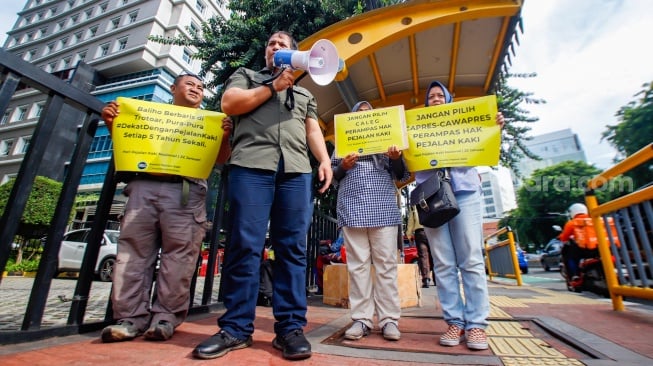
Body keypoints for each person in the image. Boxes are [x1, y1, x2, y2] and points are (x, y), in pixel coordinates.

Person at [192, 31, 332, 361]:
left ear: (296, 56)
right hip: (251, 166)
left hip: (296, 171)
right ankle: (236, 329)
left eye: (283, 45)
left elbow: (313, 130)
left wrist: (324, 159)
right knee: (245, 245)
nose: (275, 47)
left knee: (293, 249)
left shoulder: (304, 94)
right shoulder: (247, 77)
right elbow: (230, 103)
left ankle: (290, 329)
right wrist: (272, 87)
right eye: (271, 44)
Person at [99, 73, 232, 343]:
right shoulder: (146, 115)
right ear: (173, 89)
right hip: (143, 187)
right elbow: (129, 141)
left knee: (179, 258)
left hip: (186, 192)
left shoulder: (211, 122)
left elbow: (221, 159)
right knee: (133, 254)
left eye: (200, 87)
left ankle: (165, 317)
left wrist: (225, 135)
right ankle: (129, 318)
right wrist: (112, 122)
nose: (196, 89)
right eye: (189, 84)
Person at [416, 81, 504, 350]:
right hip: (431, 195)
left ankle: (476, 325)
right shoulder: (416, 127)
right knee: (442, 262)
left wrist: (495, 127)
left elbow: (487, 148)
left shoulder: (466, 122)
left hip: (465, 191)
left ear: (449, 100)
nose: (435, 99)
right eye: (430, 96)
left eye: (440, 95)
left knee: (471, 259)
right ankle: (455, 321)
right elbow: (407, 159)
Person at [331, 101, 410, 342]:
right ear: (352, 119)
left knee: (386, 265)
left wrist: (395, 158)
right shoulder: (342, 144)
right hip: (352, 208)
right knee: (358, 267)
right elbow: (333, 176)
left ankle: (389, 320)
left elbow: (402, 174)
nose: (364, 118)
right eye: (360, 114)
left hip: (383, 209)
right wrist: (343, 166)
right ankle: (361, 319)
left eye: (369, 114)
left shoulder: (389, 140)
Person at [559, 203, 597, 285]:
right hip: (598, 248)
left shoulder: (572, 223)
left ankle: (575, 275)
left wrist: (561, 236)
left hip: (582, 250)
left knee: (570, 257)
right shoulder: (594, 219)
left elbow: (564, 237)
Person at [407, 204, 433, 288]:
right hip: (433, 229)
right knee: (434, 255)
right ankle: (437, 279)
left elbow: (411, 220)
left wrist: (409, 234)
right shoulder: (431, 197)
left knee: (423, 256)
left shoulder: (415, 203)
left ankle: (426, 279)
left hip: (420, 232)